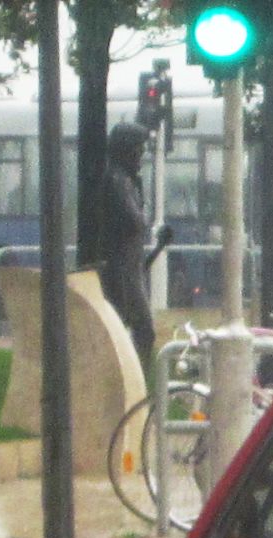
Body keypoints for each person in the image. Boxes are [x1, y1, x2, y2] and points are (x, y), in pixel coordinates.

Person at [96, 122, 162, 370]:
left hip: (129, 267)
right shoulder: (117, 181)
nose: (141, 156)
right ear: (126, 150)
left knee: (133, 329)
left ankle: (132, 377)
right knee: (142, 330)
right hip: (122, 271)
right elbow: (135, 221)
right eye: (138, 150)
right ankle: (134, 379)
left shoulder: (126, 181)